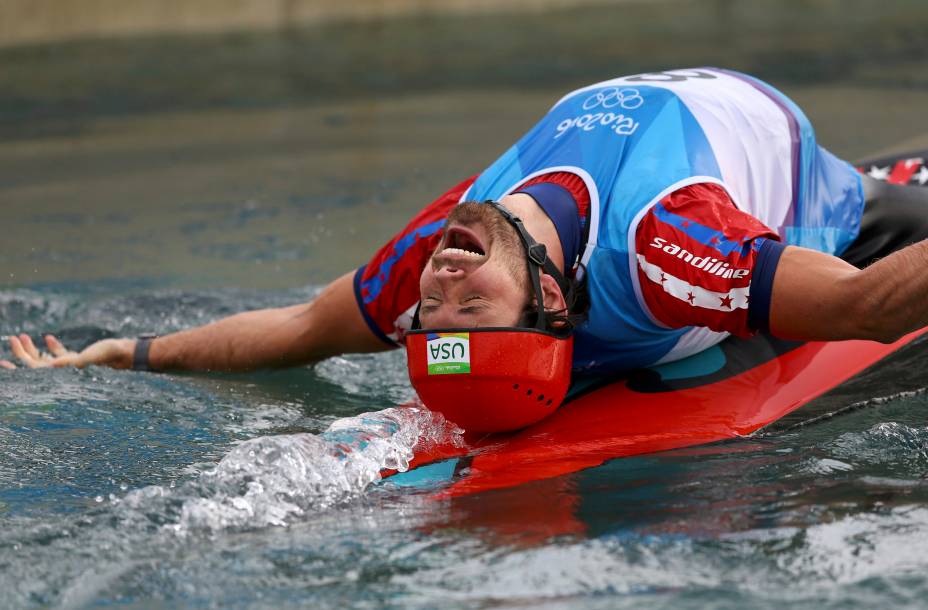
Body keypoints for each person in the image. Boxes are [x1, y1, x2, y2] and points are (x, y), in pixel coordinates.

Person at [5, 67, 928, 428]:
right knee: (861, 241)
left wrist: (123, 353)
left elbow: (297, 327)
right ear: (549, 302)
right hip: (795, 174)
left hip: (696, 113)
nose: (442, 283)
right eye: (467, 302)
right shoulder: (673, 246)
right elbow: (865, 306)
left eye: (438, 311)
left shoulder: (438, 245)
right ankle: (885, 201)